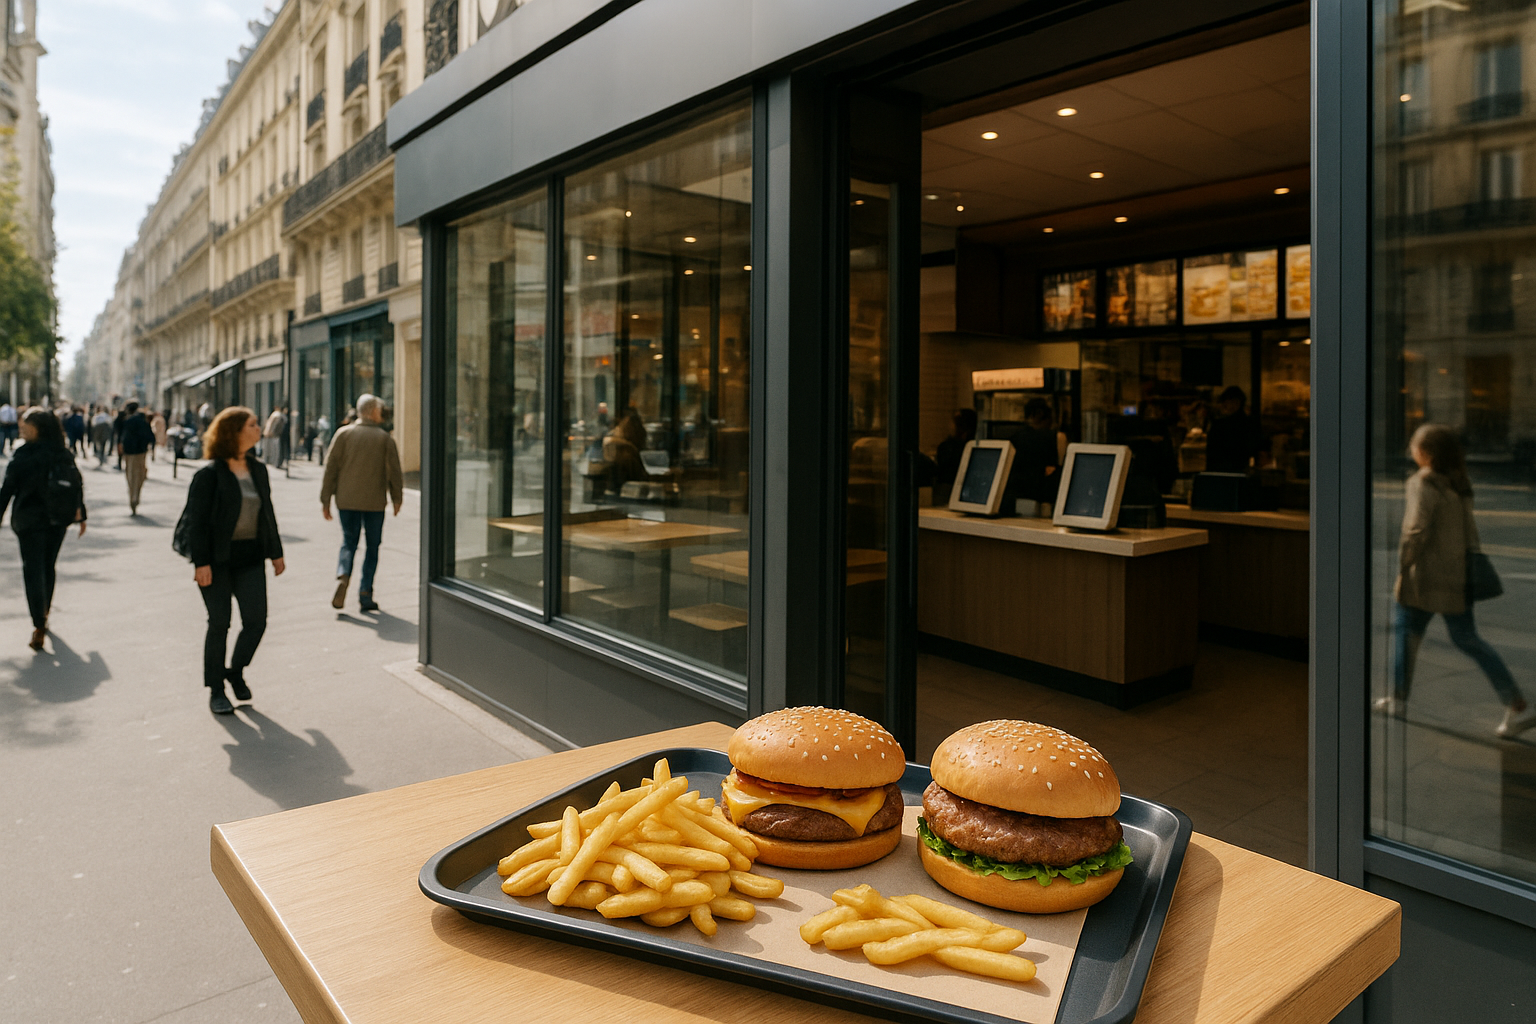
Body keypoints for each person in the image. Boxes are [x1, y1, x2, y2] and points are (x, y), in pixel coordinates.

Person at [1380, 423, 1535, 738]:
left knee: (1406, 635)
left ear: (1425, 453)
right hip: (1456, 579)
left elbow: (1415, 531)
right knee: (1469, 639)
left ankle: (1398, 700)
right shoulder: (1458, 483)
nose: (1411, 449)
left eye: (1414, 445)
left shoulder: (1422, 483)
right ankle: (1516, 702)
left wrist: (1402, 567)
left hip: (1423, 579)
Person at [182, 406, 285, 715]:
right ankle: (216, 688)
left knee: (256, 621)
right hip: (215, 561)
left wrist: (276, 552)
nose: (259, 427)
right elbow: (195, 524)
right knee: (220, 623)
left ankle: (235, 670)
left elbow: (267, 513)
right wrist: (201, 564)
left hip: (251, 557)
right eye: (253, 424)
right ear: (235, 432)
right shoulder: (208, 476)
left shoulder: (258, 469)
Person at [0, 408, 86, 651]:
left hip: (29, 522)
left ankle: (39, 623)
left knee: (33, 569)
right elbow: (76, 484)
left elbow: (7, 490)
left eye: (26, 424)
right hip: (57, 521)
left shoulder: (24, 455)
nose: (21, 426)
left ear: (39, 427)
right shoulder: (62, 453)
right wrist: (81, 514)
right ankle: (43, 614)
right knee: (47, 566)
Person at [320, 394, 403, 612]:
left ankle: (344, 573)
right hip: (374, 502)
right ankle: (366, 593)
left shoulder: (343, 434)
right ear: (374, 412)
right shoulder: (385, 438)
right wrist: (397, 498)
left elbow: (331, 468)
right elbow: (395, 471)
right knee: (372, 547)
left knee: (349, 541)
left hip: (346, 500)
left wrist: (325, 499)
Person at [1002, 398, 1062, 508]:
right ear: (1040, 414)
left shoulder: (1012, 440)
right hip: (1044, 502)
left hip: (1013, 501)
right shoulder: (1054, 438)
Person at [1205, 386, 1265, 474]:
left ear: (1236, 403)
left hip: (1221, 471)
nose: (1224, 406)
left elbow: (1211, 452)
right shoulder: (1250, 423)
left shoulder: (1221, 425)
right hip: (1242, 471)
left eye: (1226, 403)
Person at [118, 401, 155, 515]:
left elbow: (119, 433)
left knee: (130, 476)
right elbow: (150, 436)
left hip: (129, 452)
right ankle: (136, 497)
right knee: (140, 475)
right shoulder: (143, 421)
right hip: (141, 452)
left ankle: (132, 497)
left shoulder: (126, 421)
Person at [934, 408, 978, 502]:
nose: (951, 425)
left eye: (955, 422)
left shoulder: (964, 448)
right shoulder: (948, 446)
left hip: (950, 489)